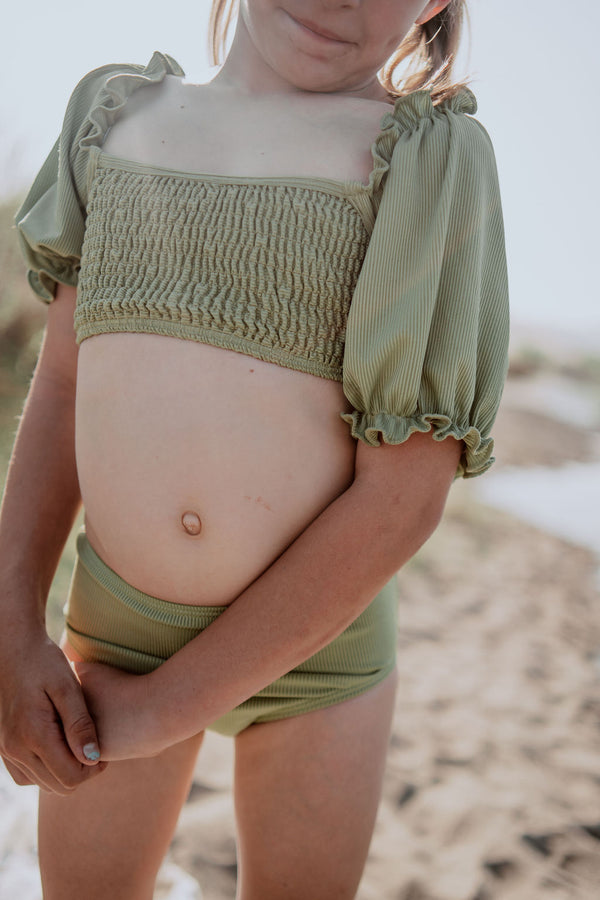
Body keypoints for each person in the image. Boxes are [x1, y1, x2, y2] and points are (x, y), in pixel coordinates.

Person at [0, 1, 509, 897]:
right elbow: (65, 390)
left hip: (320, 650)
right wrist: (9, 627)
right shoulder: (117, 121)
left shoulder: (426, 163)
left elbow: (404, 496)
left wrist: (166, 709)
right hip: (118, 635)